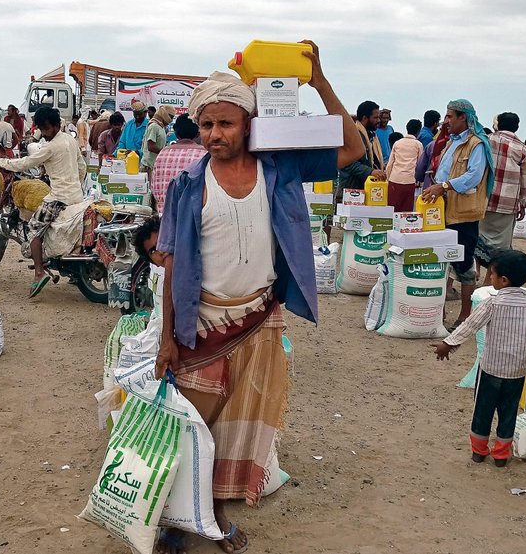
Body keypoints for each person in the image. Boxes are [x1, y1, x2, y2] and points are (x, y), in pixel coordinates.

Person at [154, 41, 366, 554]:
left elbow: (354, 149)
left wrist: (318, 80)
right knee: (193, 427)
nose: (214, 135)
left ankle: (215, 514)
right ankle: (175, 519)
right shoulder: (187, 185)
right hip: (202, 323)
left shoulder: (280, 170)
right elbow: (171, 266)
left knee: (236, 428)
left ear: (248, 124)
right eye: (206, 125)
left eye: (225, 124)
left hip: (258, 318)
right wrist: (165, 338)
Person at [433, 250, 526, 466]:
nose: (490, 279)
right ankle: (500, 455)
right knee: (508, 415)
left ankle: (479, 451)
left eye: (492, 275)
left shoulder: (492, 303)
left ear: (504, 280)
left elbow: (470, 326)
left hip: (490, 370)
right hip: (517, 373)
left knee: (483, 411)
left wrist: (448, 344)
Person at [421, 99, 495, 328]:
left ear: (463, 117)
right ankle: (438, 312)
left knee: (464, 265)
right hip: (443, 210)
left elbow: (473, 177)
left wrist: (443, 187)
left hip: (463, 213)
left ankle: (465, 316)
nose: (446, 121)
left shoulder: (477, 145)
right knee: (441, 260)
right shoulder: (451, 143)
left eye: (450, 116)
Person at [0, 106, 84, 297]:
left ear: (57, 125)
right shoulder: (70, 140)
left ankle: (39, 272)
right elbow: (82, 167)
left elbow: (25, 163)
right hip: (77, 196)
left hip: (58, 198)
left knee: (33, 229)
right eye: (41, 129)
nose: (44, 133)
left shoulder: (50, 147)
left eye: (46, 129)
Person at [477, 112, 526, 269]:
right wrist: (524, 203)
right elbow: (525, 181)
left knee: (478, 240)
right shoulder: (522, 149)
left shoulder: (486, 141)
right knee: (501, 247)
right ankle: (490, 280)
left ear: (498, 124)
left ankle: (476, 272)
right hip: (507, 205)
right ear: (517, 127)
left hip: (483, 200)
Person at [152, 113, 206, 214]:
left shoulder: (162, 154)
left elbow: (155, 190)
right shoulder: (204, 155)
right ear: (198, 133)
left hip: (164, 218)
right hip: (192, 220)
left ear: (176, 133)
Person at [337, 100, 385, 195]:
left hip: (368, 190)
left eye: (379, 117)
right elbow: (348, 164)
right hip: (350, 191)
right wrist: (371, 171)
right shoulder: (351, 136)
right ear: (364, 118)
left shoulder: (372, 137)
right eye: (375, 118)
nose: (379, 121)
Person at [385, 119, 424, 212]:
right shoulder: (418, 144)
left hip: (394, 179)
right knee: (406, 212)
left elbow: (390, 164)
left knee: (392, 211)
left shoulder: (397, 143)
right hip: (410, 181)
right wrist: (419, 181)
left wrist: (389, 179)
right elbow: (420, 165)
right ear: (419, 131)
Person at [142, 104, 175, 174]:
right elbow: (151, 147)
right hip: (148, 167)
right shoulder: (154, 126)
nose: (170, 120)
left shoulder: (161, 127)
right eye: (170, 117)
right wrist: (166, 152)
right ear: (164, 115)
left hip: (155, 165)